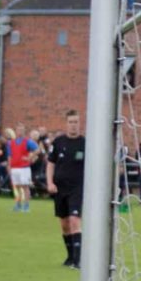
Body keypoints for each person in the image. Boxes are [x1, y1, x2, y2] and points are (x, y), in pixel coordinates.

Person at [46, 110, 86, 268]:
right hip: (59, 189)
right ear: (66, 124)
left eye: (76, 122)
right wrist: (50, 183)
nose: (73, 125)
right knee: (64, 224)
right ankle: (70, 257)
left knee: (74, 221)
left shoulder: (85, 143)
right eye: (71, 122)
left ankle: (78, 260)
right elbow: (50, 164)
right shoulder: (58, 142)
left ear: (79, 123)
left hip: (77, 188)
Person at [6, 125, 38, 212]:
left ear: (24, 131)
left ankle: (26, 206)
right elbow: (9, 155)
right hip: (14, 167)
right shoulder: (11, 143)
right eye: (18, 129)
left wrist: (29, 158)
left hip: (24, 168)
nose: (20, 131)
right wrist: (9, 166)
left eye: (22, 130)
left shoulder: (27, 141)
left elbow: (37, 149)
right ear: (15, 131)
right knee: (17, 187)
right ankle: (18, 204)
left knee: (25, 186)